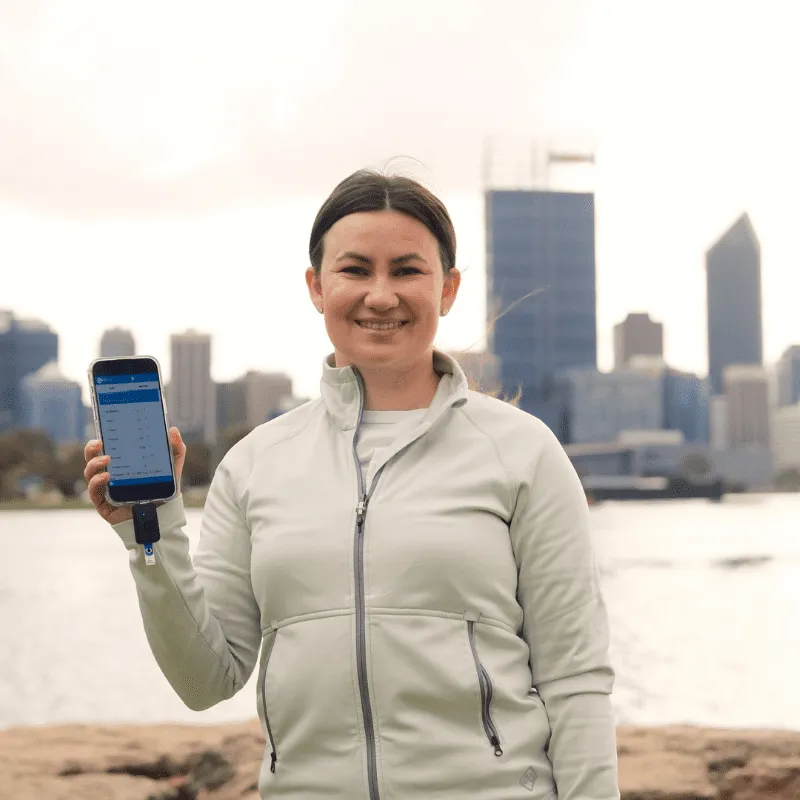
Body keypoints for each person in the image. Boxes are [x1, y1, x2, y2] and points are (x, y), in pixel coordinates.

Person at [84, 170, 620, 799]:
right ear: (317, 287)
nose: (381, 295)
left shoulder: (524, 452)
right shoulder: (254, 465)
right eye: (356, 269)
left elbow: (575, 677)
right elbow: (206, 680)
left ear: (447, 290)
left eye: (407, 271)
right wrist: (151, 534)